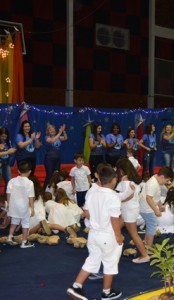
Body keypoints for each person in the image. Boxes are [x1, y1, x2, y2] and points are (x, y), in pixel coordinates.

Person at [66, 165, 123, 300]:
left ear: (99, 177)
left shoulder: (92, 191)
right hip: (108, 235)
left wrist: (97, 218)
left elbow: (85, 212)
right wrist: (118, 236)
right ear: (114, 180)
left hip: (93, 234)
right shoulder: (113, 197)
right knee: (110, 263)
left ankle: (76, 286)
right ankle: (106, 292)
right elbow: (114, 219)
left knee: (92, 260)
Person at [115, 158, 149, 263]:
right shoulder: (133, 181)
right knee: (114, 230)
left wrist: (112, 195)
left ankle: (144, 255)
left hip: (128, 210)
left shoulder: (124, 182)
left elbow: (124, 197)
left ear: (121, 170)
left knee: (133, 234)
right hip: (131, 209)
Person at [139, 166, 174, 247]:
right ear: (162, 177)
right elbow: (149, 198)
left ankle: (146, 242)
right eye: (167, 180)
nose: (166, 183)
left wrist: (160, 205)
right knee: (152, 226)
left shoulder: (155, 178)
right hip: (147, 209)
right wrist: (156, 210)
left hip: (146, 207)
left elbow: (156, 196)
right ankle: (149, 246)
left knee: (149, 224)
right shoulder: (153, 184)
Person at [6, 161, 35, 248]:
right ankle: (24, 242)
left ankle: (10, 237)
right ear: (29, 171)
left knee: (14, 222)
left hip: (14, 206)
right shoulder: (30, 183)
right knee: (25, 224)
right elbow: (31, 197)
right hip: (24, 207)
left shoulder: (12, 181)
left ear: (18, 171)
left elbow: (8, 194)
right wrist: (32, 208)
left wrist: (8, 204)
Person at [43, 124, 68, 188]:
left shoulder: (58, 137)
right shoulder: (46, 137)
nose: (52, 130)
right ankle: (45, 190)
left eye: (53, 129)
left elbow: (65, 138)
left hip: (57, 159)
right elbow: (51, 141)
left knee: (57, 175)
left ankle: (55, 189)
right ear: (48, 131)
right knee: (49, 175)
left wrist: (63, 131)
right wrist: (59, 133)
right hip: (49, 159)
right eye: (50, 129)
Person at [0, 127, 16, 192]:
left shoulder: (8, 142)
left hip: (6, 164)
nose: (4, 138)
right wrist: (7, 152)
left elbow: (10, 153)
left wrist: (12, 152)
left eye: (5, 136)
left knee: (9, 180)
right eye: (2, 136)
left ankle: (7, 197)